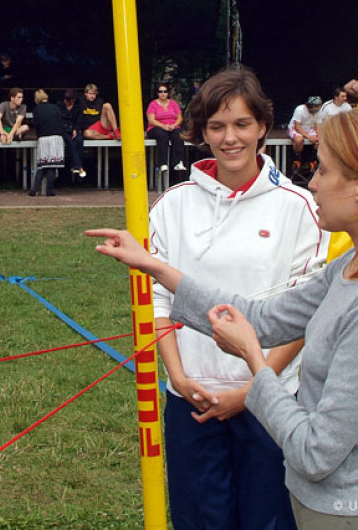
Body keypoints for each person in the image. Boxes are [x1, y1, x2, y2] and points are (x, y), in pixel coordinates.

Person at [87, 108, 358, 528]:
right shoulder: (353, 267)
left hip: (357, 515)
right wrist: (153, 265)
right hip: (322, 507)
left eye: (322, 170)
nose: (313, 183)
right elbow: (264, 317)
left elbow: (315, 452)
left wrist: (254, 362)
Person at [147, 66, 326, 529]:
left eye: (242, 124)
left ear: (263, 127)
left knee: (267, 518)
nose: (230, 138)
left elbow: (304, 317)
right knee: (199, 519)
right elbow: (159, 302)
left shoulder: (298, 207)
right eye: (217, 126)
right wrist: (179, 377)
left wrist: (252, 392)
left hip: (271, 400)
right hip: (191, 398)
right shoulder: (172, 205)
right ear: (202, 132)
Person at [29, 89, 64, 196]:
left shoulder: (36, 110)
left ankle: (34, 189)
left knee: (42, 166)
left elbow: (36, 124)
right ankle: (48, 191)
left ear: (36, 100)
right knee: (52, 166)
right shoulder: (56, 108)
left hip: (43, 138)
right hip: (56, 138)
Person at [146, 82, 186, 172]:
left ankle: (177, 162)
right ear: (157, 93)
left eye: (165, 91)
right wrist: (164, 126)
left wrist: (174, 125)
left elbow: (179, 118)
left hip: (172, 126)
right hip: (156, 127)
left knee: (178, 134)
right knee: (162, 135)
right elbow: (151, 120)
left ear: (168, 93)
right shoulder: (153, 104)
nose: (163, 93)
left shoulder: (173, 103)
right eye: (160, 92)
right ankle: (162, 163)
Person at [287, 95, 323, 174]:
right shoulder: (300, 109)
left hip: (310, 128)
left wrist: (319, 138)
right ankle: (296, 160)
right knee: (299, 140)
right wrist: (309, 137)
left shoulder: (319, 112)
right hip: (296, 128)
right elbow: (297, 126)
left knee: (319, 141)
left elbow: (319, 126)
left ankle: (313, 161)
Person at [59, 88, 86, 179]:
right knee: (70, 142)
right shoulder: (60, 105)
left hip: (74, 128)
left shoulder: (78, 106)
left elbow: (79, 120)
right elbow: (59, 120)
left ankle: (75, 166)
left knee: (79, 141)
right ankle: (78, 166)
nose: (66, 101)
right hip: (63, 130)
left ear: (73, 100)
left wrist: (75, 129)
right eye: (65, 99)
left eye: (68, 100)